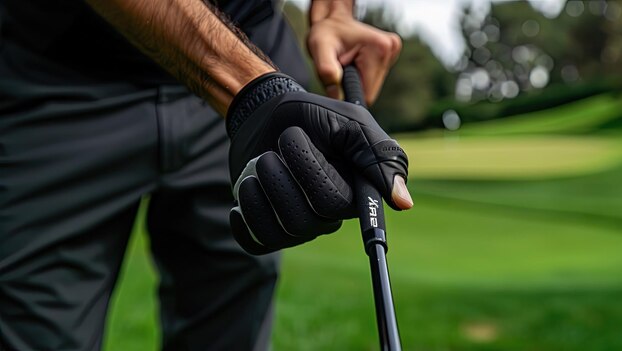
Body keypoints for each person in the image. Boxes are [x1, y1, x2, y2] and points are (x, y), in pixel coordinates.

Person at [0, 0, 412, 349]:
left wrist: (333, 13)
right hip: (55, 79)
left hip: (249, 61)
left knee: (232, 324)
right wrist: (253, 92)